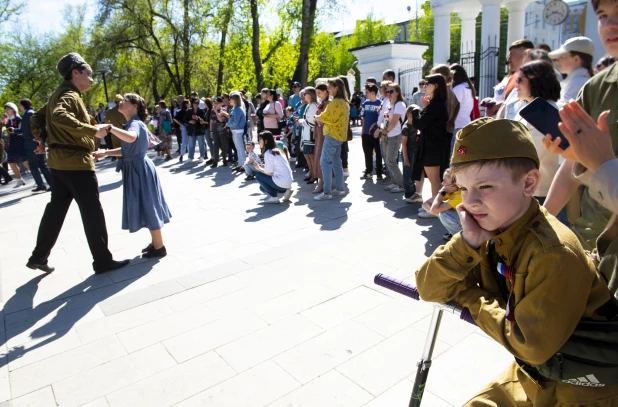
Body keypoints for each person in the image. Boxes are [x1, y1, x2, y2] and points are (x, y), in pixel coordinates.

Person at [416, 117, 618, 406]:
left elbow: (529, 343)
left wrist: (470, 296)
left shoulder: (553, 251)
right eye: (463, 187)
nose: (470, 201)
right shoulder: (489, 229)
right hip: (537, 376)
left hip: (584, 389)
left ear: (529, 182)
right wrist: (466, 243)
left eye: (485, 186)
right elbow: (428, 288)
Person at [27, 52, 129, 274]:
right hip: (76, 164)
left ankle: (38, 257)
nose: (91, 79)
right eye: (89, 74)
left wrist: (41, 137)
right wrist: (93, 130)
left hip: (58, 164)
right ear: (75, 72)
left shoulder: (58, 94)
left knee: (56, 210)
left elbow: (37, 118)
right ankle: (103, 261)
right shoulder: (69, 96)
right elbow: (58, 117)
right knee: (92, 211)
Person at [542, 0, 618, 251]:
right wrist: (541, 222)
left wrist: (602, 164)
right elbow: (574, 166)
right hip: (592, 240)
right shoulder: (597, 88)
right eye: (603, 15)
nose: (610, 25)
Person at [94, 94, 171, 258]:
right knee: (146, 204)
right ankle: (156, 243)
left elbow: (131, 138)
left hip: (139, 169)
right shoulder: (132, 123)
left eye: (124, 101)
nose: (120, 103)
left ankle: (159, 247)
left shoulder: (134, 124)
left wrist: (110, 128)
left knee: (148, 204)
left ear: (134, 106)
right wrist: (105, 152)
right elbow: (128, 149)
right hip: (137, 167)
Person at [513, 61, 561, 205]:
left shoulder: (545, 111)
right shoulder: (531, 107)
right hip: (526, 186)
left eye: (520, 80)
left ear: (537, 82)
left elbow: (529, 155)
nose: (516, 85)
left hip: (537, 191)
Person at [412, 74, 449, 197]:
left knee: (434, 179)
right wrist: (426, 107)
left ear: (436, 86)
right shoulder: (436, 103)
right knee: (435, 178)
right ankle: (435, 205)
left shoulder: (436, 104)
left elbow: (420, 123)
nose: (425, 86)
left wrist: (415, 112)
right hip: (433, 144)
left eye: (427, 84)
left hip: (432, 146)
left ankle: (435, 207)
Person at [313, 78, 349, 201]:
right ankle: (339, 188)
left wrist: (316, 117)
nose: (328, 90)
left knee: (324, 162)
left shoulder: (336, 102)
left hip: (332, 135)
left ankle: (327, 192)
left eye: (329, 87)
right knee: (336, 162)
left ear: (336, 88)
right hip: (338, 136)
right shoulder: (343, 102)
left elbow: (326, 117)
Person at [374, 83, 406, 194]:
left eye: (391, 91)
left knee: (391, 160)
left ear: (397, 92)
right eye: (387, 91)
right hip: (388, 134)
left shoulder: (399, 104)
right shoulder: (390, 104)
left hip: (395, 135)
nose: (388, 94)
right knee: (388, 160)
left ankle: (402, 184)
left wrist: (385, 131)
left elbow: (394, 121)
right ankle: (394, 181)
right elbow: (385, 120)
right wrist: (383, 129)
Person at [549, 36, 595, 107]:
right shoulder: (577, 81)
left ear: (576, 59)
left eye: (562, 57)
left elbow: (560, 113)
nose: (558, 61)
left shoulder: (579, 82)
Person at [419, 168, 462, 241]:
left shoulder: (459, 195)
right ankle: (454, 233)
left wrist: (442, 191)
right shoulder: (452, 191)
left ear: (454, 184)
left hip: (471, 228)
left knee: (443, 213)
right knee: (440, 210)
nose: (442, 183)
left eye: (445, 181)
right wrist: (436, 211)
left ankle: (460, 238)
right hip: (464, 222)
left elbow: (433, 210)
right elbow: (425, 204)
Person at [19, 99, 51, 192]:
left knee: (34, 165)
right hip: (34, 141)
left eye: (20, 105)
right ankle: (50, 184)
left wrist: (37, 138)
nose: (20, 107)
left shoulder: (28, 114)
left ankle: (41, 184)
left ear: (23, 105)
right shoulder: (30, 113)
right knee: (42, 164)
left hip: (32, 142)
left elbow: (32, 128)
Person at [252, 131, 293, 204]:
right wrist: (264, 166)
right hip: (287, 181)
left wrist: (259, 168)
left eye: (260, 140)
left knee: (259, 176)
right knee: (262, 187)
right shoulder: (278, 150)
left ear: (266, 141)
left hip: (282, 181)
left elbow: (270, 173)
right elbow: (276, 166)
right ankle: (286, 191)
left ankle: (274, 197)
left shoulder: (268, 153)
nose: (259, 142)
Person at [450, 64, 475, 152]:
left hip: (457, 126)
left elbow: (451, 107)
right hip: (465, 124)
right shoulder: (468, 87)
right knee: (461, 156)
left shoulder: (459, 89)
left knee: (454, 158)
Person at [360, 83, 382, 180]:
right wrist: (363, 129)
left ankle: (379, 172)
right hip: (366, 133)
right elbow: (363, 117)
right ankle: (368, 171)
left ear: (373, 93)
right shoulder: (365, 104)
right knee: (367, 152)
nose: (365, 94)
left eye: (367, 92)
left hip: (377, 133)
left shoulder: (380, 104)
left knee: (378, 153)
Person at [4, 102, 28, 188]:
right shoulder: (9, 120)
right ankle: (19, 179)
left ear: (13, 109)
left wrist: (15, 130)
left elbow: (22, 131)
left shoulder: (18, 119)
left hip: (20, 142)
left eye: (8, 109)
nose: (6, 110)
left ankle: (38, 176)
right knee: (11, 161)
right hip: (13, 143)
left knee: (25, 161)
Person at [401, 105, 422, 204]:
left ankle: (414, 191)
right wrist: (405, 158)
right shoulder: (406, 127)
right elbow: (404, 144)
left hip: (415, 151)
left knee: (413, 172)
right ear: (410, 116)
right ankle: (409, 192)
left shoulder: (416, 125)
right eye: (417, 115)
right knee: (407, 173)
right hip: (408, 152)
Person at [311, 83, 330, 194]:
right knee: (319, 157)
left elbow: (324, 119)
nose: (318, 95)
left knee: (322, 158)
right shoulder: (322, 103)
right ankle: (322, 181)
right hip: (319, 133)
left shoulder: (328, 103)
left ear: (325, 91)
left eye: (319, 92)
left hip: (324, 133)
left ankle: (322, 182)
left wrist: (317, 118)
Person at [297, 87, 318, 184]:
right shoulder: (309, 105)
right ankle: (311, 172)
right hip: (306, 133)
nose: (303, 96)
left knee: (311, 155)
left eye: (304, 94)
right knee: (307, 154)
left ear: (309, 95)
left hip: (310, 133)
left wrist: (301, 121)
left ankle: (314, 174)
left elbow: (311, 121)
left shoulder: (313, 106)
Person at [225, 92, 247, 172]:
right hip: (235, 130)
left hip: (238, 130)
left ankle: (243, 165)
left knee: (240, 148)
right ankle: (240, 164)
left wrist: (227, 124)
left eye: (231, 99)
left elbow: (235, 122)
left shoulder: (238, 109)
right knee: (238, 149)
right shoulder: (235, 109)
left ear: (235, 100)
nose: (229, 100)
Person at [184, 98, 207, 163]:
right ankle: (190, 157)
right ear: (192, 103)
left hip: (199, 129)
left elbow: (204, 120)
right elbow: (184, 120)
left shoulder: (201, 111)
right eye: (195, 103)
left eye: (198, 103)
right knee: (191, 144)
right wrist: (189, 121)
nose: (196, 104)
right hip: (191, 130)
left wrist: (197, 119)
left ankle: (202, 156)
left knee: (201, 143)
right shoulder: (189, 111)